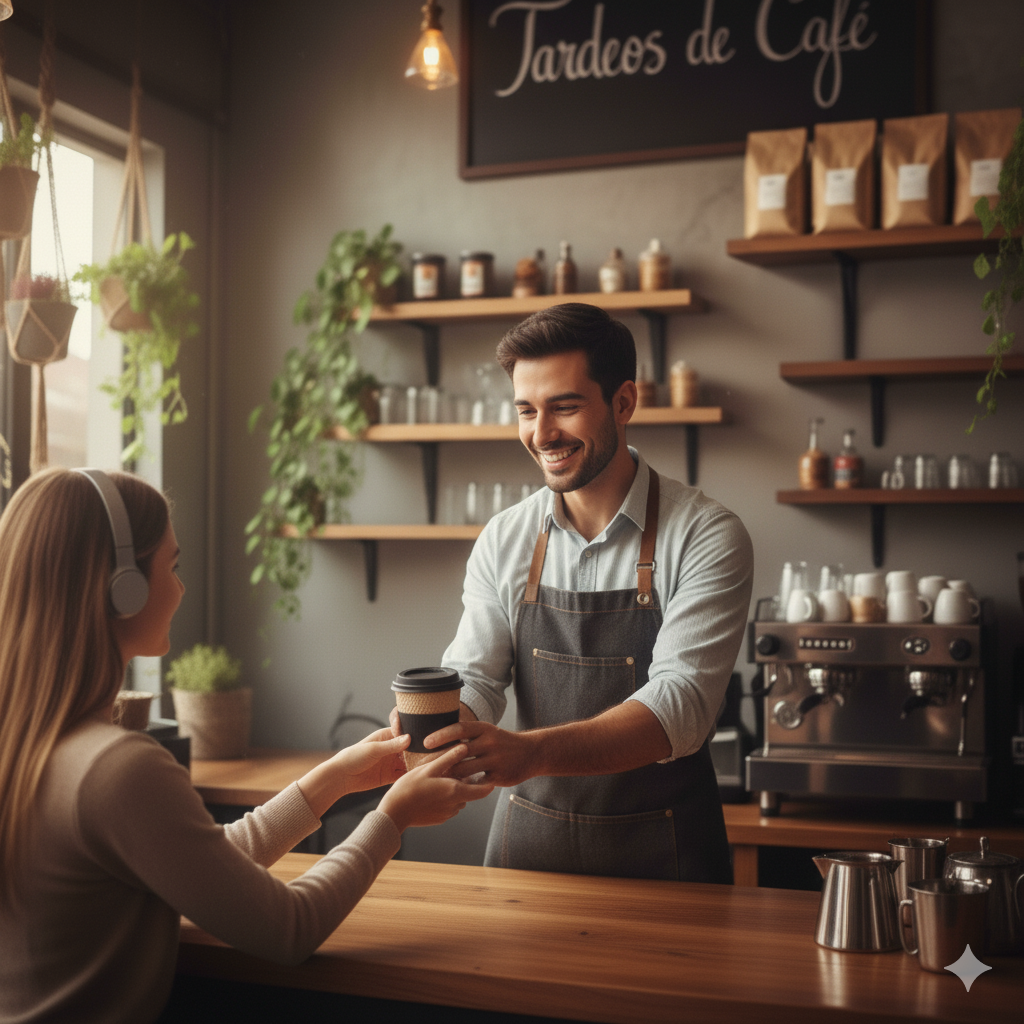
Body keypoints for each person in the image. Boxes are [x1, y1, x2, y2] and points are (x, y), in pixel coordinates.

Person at [0, 466, 492, 1024]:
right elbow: (288, 929)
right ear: (122, 589)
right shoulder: (117, 768)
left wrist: (334, 780)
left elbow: (201, 865)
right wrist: (392, 818)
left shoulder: (33, 741)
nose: (182, 586)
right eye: (173, 565)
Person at [414, 302, 753, 883]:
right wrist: (432, 725)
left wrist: (532, 753)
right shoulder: (506, 536)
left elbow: (681, 707)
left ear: (624, 402)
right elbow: (477, 675)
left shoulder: (705, 534)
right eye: (526, 410)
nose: (541, 434)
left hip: (667, 866)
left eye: (564, 407)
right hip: (526, 861)